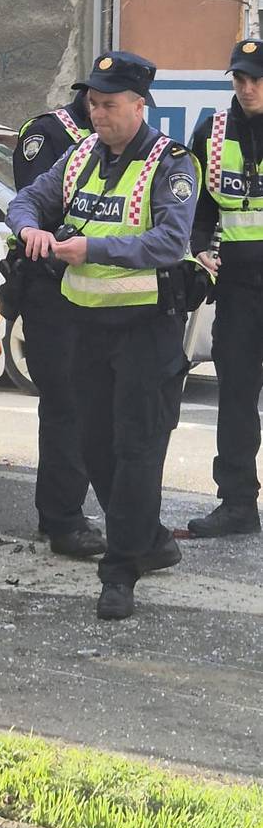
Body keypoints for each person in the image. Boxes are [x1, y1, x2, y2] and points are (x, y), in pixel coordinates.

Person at [6, 51, 198, 620]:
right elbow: (26, 199)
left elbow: (167, 242)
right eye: (92, 101)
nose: (97, 113)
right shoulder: (81, 153)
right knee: (92, 444)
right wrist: (30, 229)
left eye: (109, 104)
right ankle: (151, 541)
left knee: (134, 449)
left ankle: (119, 572)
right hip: (86, 325)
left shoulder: (172, 163)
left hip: (146, 328)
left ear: (139, 106)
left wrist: (89, 249)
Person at [12, 89, 102, 557]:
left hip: (90, 291)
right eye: (103, 103)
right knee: (67, 403)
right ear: (88, 97)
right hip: (49, 288)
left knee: (90, 405)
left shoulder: (107, 145)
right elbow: (37, 209)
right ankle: (61, 519)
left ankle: (73, 510)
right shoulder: (46, 135)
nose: (106, 113)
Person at [186, 39, 263, 537]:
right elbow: (198, 204)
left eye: (257, 79)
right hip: (239, 287)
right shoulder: (210, 132)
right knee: (235, 397)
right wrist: (199, 247)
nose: (248, 87)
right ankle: (237, 504)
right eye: (240, 78)